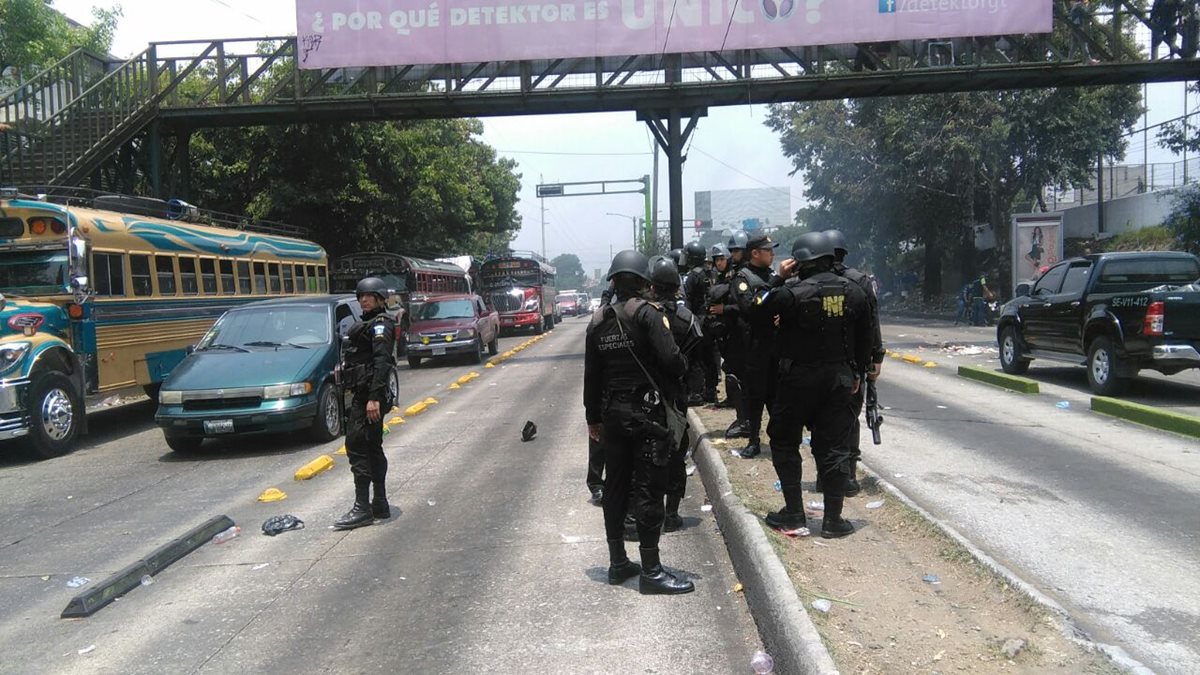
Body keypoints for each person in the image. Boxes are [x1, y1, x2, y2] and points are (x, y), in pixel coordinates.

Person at [584, 250, 693, 595]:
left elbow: (592, 376)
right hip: (647, 417)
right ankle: (651, 571)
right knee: (648, 489)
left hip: (612, 416)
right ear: (645, 282)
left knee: (615, 489)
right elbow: (672, 361)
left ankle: (618, 563)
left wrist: (593, 419)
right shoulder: (648, 315)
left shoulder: (598, 321)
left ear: (614, 281)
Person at [757, 232, 872, 538]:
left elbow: (757, 308)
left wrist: (777, 279)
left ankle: (794, 513)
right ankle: (833, 520)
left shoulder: (791, 293)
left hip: (797, 380)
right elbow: (866, 337)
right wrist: (859, 373)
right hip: (840, 380)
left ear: (800, 261)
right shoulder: (855, 291)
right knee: (834, 447)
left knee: (783, 442)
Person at [823, 230, 885, 496]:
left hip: (820, 362)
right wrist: (875, 358)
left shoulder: (810, 281)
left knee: (823, 419)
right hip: (852, 362)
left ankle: (827, 473)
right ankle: (846, 473)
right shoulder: (859, 281)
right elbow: (872, 323)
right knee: (849, 417)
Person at [334, 277, 398, 530]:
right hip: (365, 393)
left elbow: (382, 362)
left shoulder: (381, 325)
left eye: (370, 296)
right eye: (361, 296)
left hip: (370, 396)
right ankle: (379, 503)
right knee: (372, 447)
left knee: (357, 445)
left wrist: (373, 398)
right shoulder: (368, 324)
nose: (364, 300)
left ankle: (362, 507)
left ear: (381, 299)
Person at [648, 255, 704, 533]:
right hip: (676, 396)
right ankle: (671, 513)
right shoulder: (687, 319)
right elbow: (697, 359)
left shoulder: (644, 315)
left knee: (646, 455)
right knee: (675, 455)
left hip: (645, 396)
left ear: (653, 287)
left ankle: (650, 511)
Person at [729, 234, 780, 459]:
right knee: (755, 397)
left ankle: (779, 440)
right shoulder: (743, 278)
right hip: (754, 348)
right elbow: (751, 308)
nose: (773, 254)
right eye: (768, 250)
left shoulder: (772, 276)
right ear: (755, 253)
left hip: (776, 347)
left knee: (777, 398)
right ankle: (753, 440)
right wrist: (774, 285)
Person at [682, 241, 718, 404]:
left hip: (697, 320)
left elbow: (688, 300)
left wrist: (686, 320)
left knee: (695, 357)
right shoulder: (710, 273)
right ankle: (711, 391)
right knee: (710, 358)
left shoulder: (692, 276)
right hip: (711, 319)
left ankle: (696, 393)